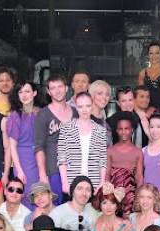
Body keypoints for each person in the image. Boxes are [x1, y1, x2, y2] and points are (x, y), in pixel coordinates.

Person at [34, 74, 77, 203]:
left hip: (75, 168)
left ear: (66, 88)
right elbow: (39, 147)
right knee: (56, 207)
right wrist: (42, 174)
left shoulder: (76, 112)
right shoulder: (43, 114)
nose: (57, 91)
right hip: (53, 170)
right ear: (48, 91)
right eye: (53, 88)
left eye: (60, 86)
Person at [57, 92, 108, 194]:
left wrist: (102, 182)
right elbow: (62, 158)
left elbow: (102, 160)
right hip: (72, 182)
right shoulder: (66, 129)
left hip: (94, 183)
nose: (84, 110)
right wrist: (65, 183)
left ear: (92, 106)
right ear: (76, 107)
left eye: (88, 106)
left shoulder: (101, 130)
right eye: (80, 106)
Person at [7, 81, 40, 208]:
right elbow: (12, 146)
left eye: (27, 91)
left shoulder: (41, 113)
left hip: (39, 157)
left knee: (41, 193)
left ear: (34, 93)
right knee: (26, 193)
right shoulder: (15, 116)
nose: (24, 95)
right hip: (23, 160)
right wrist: (19, 170)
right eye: (20, 92)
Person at [105, 112, 144, 216]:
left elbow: (139, 177)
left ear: (132, 130)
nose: (123, 132)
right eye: (120, 129)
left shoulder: (138, 152)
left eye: (127, 128)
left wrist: (139, 197)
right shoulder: (110, 151)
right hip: (113, 196)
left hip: (131, 197)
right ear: (116, 130)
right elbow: (107, 174)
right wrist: (108, 196)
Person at [89, 80, 113, 144]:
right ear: (91, 95)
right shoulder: (83, 120)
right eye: (99, 93)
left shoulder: (106, 124)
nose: (104, 97)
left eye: (107, 94)